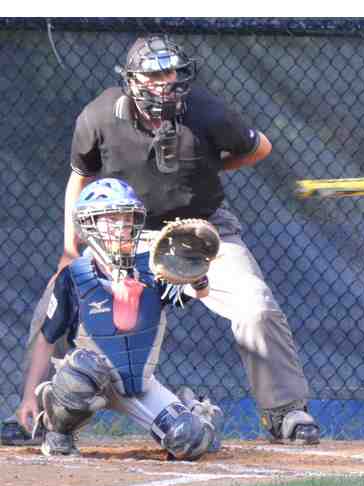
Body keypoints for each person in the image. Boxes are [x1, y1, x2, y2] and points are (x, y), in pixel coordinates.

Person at [21, 34, 319, 445]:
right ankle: (35, 412)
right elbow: (80, 178)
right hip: (124, 232)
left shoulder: (205, 110)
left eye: (173, 74)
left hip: (202, 229)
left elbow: (260, 148)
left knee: (255, 304)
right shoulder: (100, 116)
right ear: (131, 80)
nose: (167, 83)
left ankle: (284, 412)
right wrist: (70, 249)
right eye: (155, 75)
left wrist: (211, 166)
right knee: (59, 299)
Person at [17, 178, 220, 458]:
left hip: (137, 382)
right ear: (87, 225)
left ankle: (193, 411)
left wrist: (198, 277)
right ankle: (58, 432)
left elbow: (198, 293)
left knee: (189, 440)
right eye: (111, 219)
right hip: (89, 379)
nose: (122, 227)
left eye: (127, 219)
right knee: (82, 372)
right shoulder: (74, 276)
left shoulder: (154, 267)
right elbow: (46, 339)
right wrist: (29, 396)